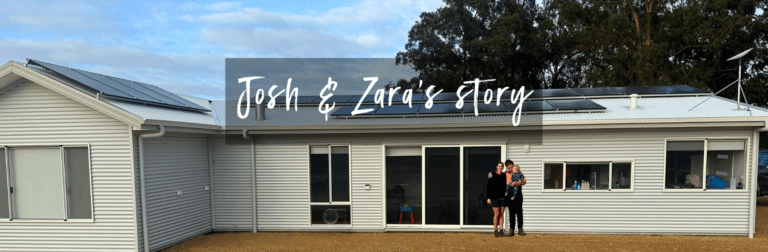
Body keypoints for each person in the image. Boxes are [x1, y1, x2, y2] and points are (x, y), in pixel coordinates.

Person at [486, 162, 507, 237]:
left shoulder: (504, 175)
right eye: (499, 166)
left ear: (503, 167)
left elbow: (505, 186)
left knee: (501, 214)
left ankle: (501, 231)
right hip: (494, 197)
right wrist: (488, 197)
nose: (500, 167)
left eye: (501, 166)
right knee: (496, 214)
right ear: (496, 167)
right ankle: (495, 230)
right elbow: (489, 186)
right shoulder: (492, 174)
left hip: (502, 198)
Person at [505, 160, 526, 236]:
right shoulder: (506, 174)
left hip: (518, 196)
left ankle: (520, 229)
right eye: (508, 166)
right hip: (509, 197)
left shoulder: (519, 173)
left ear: (513, 165)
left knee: (519, 212)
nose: (509, 166)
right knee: (511, 213)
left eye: (510, 165)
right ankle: (511, 230)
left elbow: (524, 182)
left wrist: (516, 183)